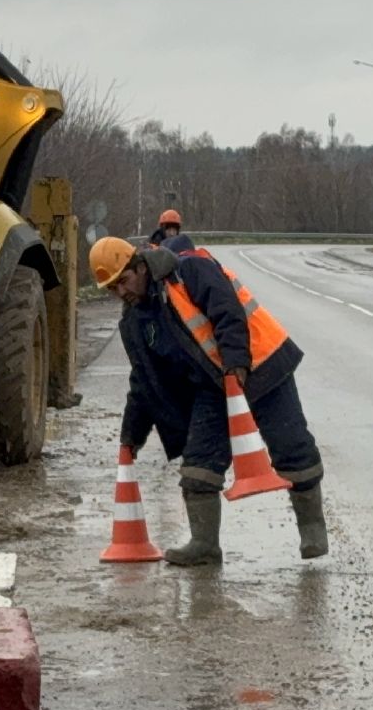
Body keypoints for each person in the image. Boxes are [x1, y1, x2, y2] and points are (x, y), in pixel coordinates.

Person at [89, 235, 328, 564]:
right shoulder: (134, 322)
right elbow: (143, 382)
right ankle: (205, 544)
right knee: (199, 463)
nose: (121, 293)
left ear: (140, 266)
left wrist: (237, 366)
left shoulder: (190, 271)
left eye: (124, 282)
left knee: (291, 445)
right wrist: (131, 435)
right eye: (112, 289)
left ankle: (313, 529)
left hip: (261, 364)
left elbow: (228, 313)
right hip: (212, 385)